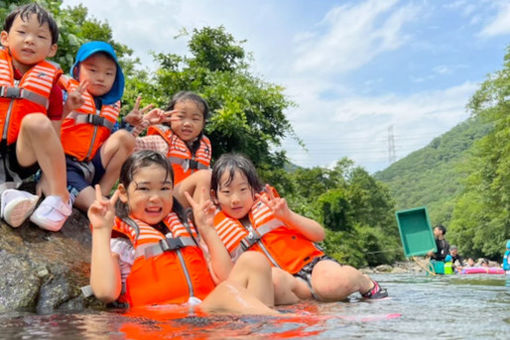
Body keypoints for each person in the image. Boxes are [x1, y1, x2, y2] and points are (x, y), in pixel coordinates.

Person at [88, 150, 277, 314]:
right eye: (144, 189)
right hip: (159, 325)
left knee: (255, 262)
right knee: (227, 293)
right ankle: (280, 326)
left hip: (201, 319)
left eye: (164, 188)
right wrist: (100, 230)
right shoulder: (122, 240)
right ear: (122, 192)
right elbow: (105, 292)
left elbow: (225, 278)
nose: (155, 198)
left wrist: (207, 230)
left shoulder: (185, 228)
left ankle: (263, 331)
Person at [210, 153, 388, 302]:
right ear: (215, 196)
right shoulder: (214, 228)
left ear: (253, 189)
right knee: (275, 281)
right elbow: (225, 277)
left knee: (331, 285)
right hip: (289, 283)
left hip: (314, 266)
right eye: (226, 192)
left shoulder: (271, 206)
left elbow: (319, 234)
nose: (235, 199)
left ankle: (365, 282)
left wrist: (288, 216)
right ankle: (313, 307)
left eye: (242, 190)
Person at [0, 3, 71, 230]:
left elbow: (53, 136)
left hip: (21, 156)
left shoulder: (53, 86)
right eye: (22, 32)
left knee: (36, 121)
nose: (30, 40)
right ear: (5, 38)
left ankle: (60, 200)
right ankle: (9, 201)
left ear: (52, 49)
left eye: (40, 36)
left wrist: (46, 178)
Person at [56, 41, 135, 216]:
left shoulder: (111, 106)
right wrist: (67, 107)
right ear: (77, 70)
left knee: (125, 137)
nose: (101, 78)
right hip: (63, 165)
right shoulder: (63, 92)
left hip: (91, 166)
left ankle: (103, 192)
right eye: (93, 70)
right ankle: (93, 199)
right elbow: (47, 127)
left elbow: (112, 141)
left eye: (109, 73)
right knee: (104, 211)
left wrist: (129, 124)